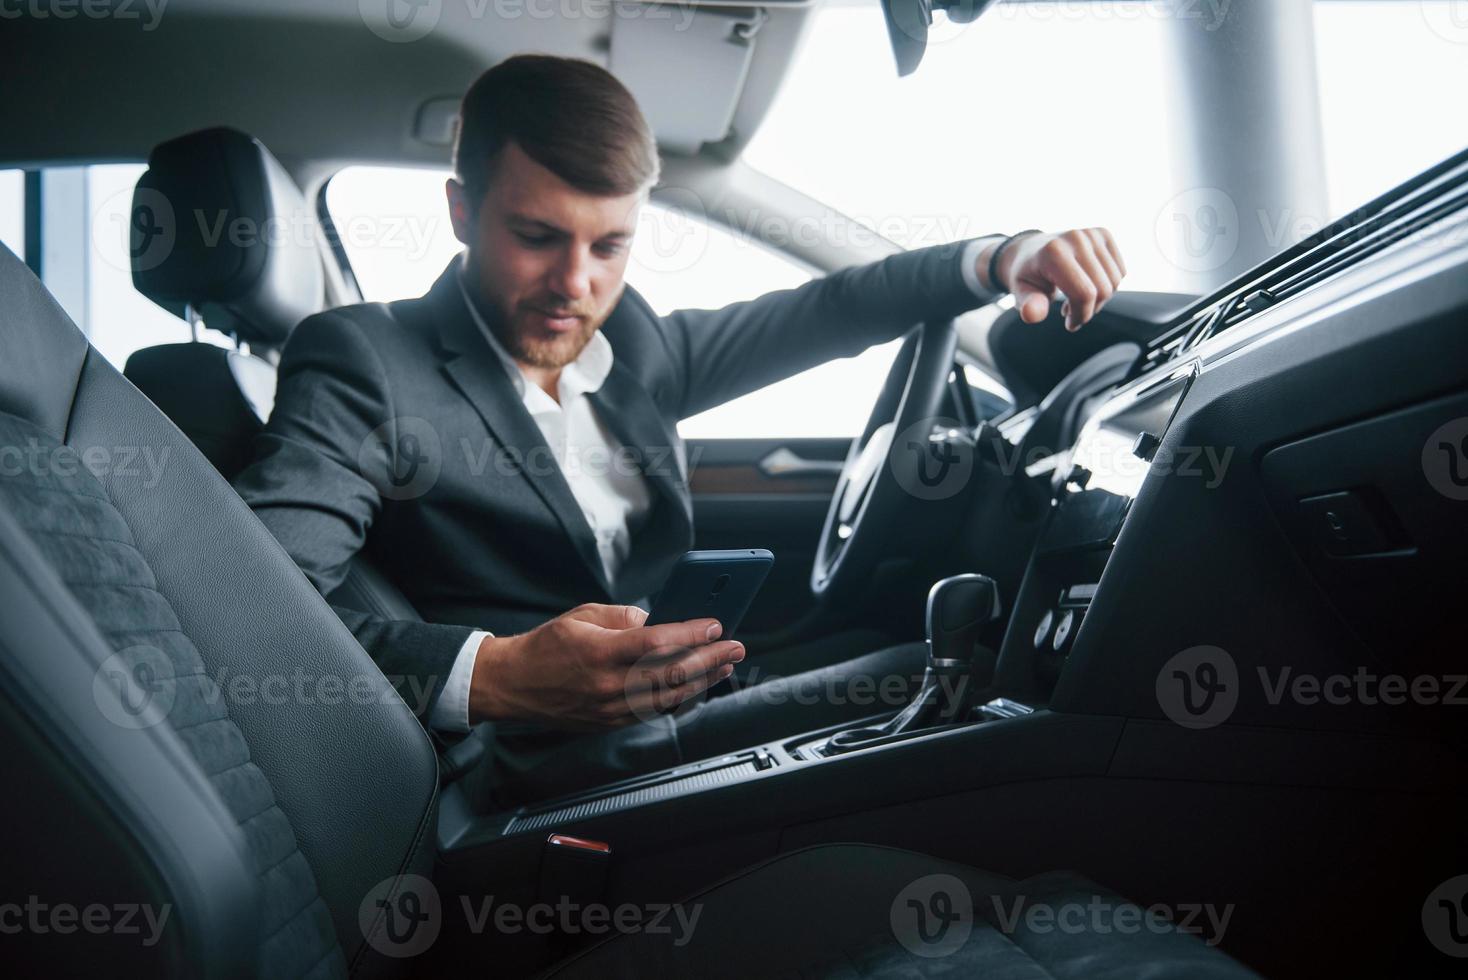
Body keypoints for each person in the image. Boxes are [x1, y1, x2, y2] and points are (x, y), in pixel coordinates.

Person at [233, 54, 1126, 802]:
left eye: (609, 246)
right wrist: (498, 673)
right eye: (537, 236)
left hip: (685, 695)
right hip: (535, 765)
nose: (575, 283)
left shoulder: (633, 342)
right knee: (969, 676)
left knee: (932, 662)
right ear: (462, 212)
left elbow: (828, 308)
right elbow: (249, 603)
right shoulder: (364, 359)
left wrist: (1001, 258)